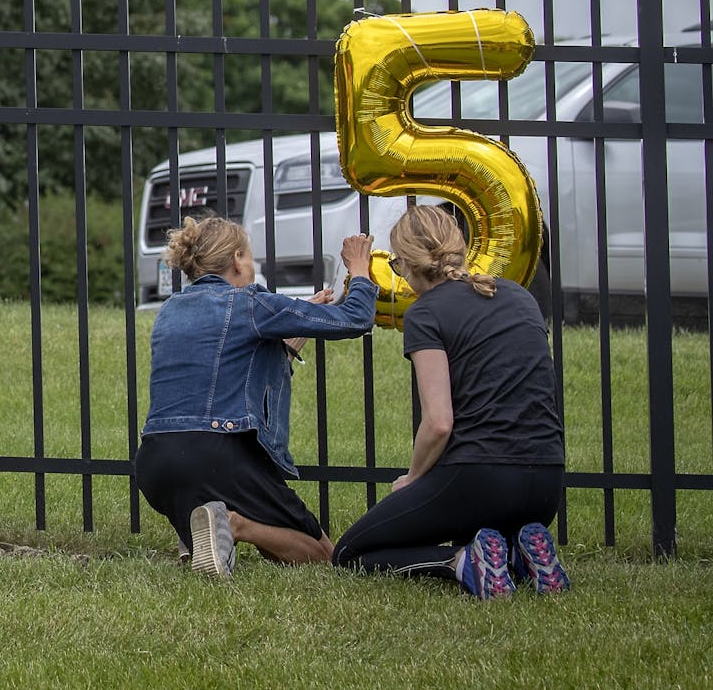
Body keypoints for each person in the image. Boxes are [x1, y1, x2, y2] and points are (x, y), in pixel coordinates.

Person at [332, 204, 569, 599]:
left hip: (481, 478)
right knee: (479, 528)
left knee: (351, 553)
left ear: (406, 264)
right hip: (546, 484)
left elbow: (439, 422)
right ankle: (519, 552)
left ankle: (459, 562)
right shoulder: (517, 295)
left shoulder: (426, 314)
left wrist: (412, 480)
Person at [133, 215, 376, 577]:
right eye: (250, 257)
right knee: (324, 553)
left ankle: (203, 533)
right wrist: (359, 271)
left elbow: (228, 366)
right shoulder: (249, 303)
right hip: (215, 454)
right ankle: (233, 526)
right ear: (235, 259)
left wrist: (285, 344)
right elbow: (355, 318)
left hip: (154, 464)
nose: (253, 266)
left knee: (239, 508)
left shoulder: (169, 311)